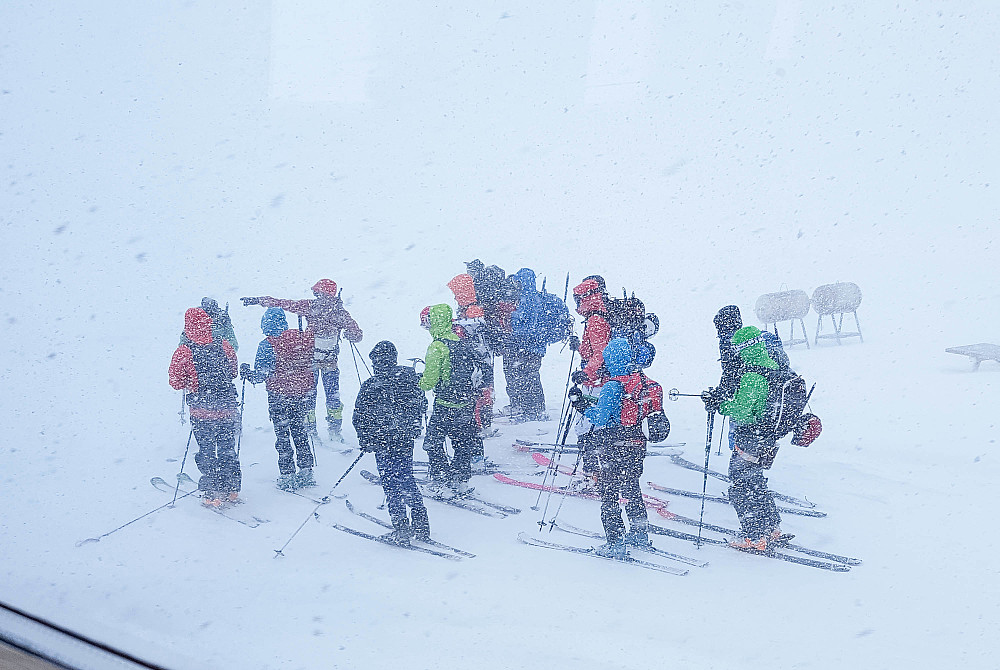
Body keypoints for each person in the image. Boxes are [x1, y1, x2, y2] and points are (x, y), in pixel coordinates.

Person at [242, 280, 362, 442]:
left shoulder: (311, 306)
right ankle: (334, 431)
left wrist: (259, 300)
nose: (317, 296)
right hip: (330, 362)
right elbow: (357, 334)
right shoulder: (339, 312)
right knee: (332, 396)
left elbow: (283, 303)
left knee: (309, 396)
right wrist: (351, 335)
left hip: (310, 362)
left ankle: (311, 431)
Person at [702, 325, 783, 552]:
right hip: (768, 436)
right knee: (755, 481)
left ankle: (753, 535)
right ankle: (771, 527)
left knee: (739, 485)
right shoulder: (771, 365)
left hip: (751, 436)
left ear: (745, 348)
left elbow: (742, 411)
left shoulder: (752, 376)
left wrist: (720, 405)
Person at [573, 337, 650, 558]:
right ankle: (640, 533)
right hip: (636, 442)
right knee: (632, 488)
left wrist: (581, 406)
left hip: (614, 445)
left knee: (609, 493)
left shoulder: (612, 385)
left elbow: (601, 416)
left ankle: (615, 543)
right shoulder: (637, 381)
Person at [353, 341, 430, 546]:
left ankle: (401, 527)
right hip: (404, 440)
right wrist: (413, 427)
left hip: (382, 442)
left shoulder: (371, 385)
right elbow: (421, 404)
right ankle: (421, 524)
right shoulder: (410, 378)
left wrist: (366, 439)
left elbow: (360, 416)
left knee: (390, 483)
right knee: (406, 478)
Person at [169, 307, 242, 506]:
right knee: (227, 448)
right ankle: (232, 488)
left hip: (201, 411)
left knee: (207, 451)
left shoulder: (184, 351)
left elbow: (175, 382)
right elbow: (233, 372)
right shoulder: (224, 345)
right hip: (227, 408)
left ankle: (212, 493)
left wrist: (191, 382)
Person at [240, 308, 317, 491]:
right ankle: (306, 471)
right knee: (300, 432)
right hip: (300, 395)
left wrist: (247, 373)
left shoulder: (267, 345)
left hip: (278, 396)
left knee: (282, 435)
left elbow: (261, 375)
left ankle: (287, 474)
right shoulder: (300, 339)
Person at [418, 304, 484, 496]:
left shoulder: (437, 347)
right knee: (463, 443)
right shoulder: (461, 340)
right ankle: (460, 479)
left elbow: (429, 381)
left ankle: (441, 477)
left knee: (433, 441)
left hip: (445, 404)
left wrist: (419, 383)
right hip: (465, 403)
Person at [568, 276, 611, 480]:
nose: (576, 303)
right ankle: (598, 469)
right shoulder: (598, 316)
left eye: (577, 299)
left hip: (596, 383)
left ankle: (593, 472)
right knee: (594, 424)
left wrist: (587, 373)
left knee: (587, 426)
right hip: (598, 380)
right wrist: (579, 346)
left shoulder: (596, 320)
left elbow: (600, 353)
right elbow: (592, 350)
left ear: (586, 297)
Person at [503, 268, 548, 422]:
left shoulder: (528, 299)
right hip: (534, 346)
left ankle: (533, 410)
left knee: (528, 377)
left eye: (518, 281)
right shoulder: (534, 298)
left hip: (529, 346)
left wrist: (511, 322)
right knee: (530, 376)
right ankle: (534, 409)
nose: (516, 284)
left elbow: (528, 326)